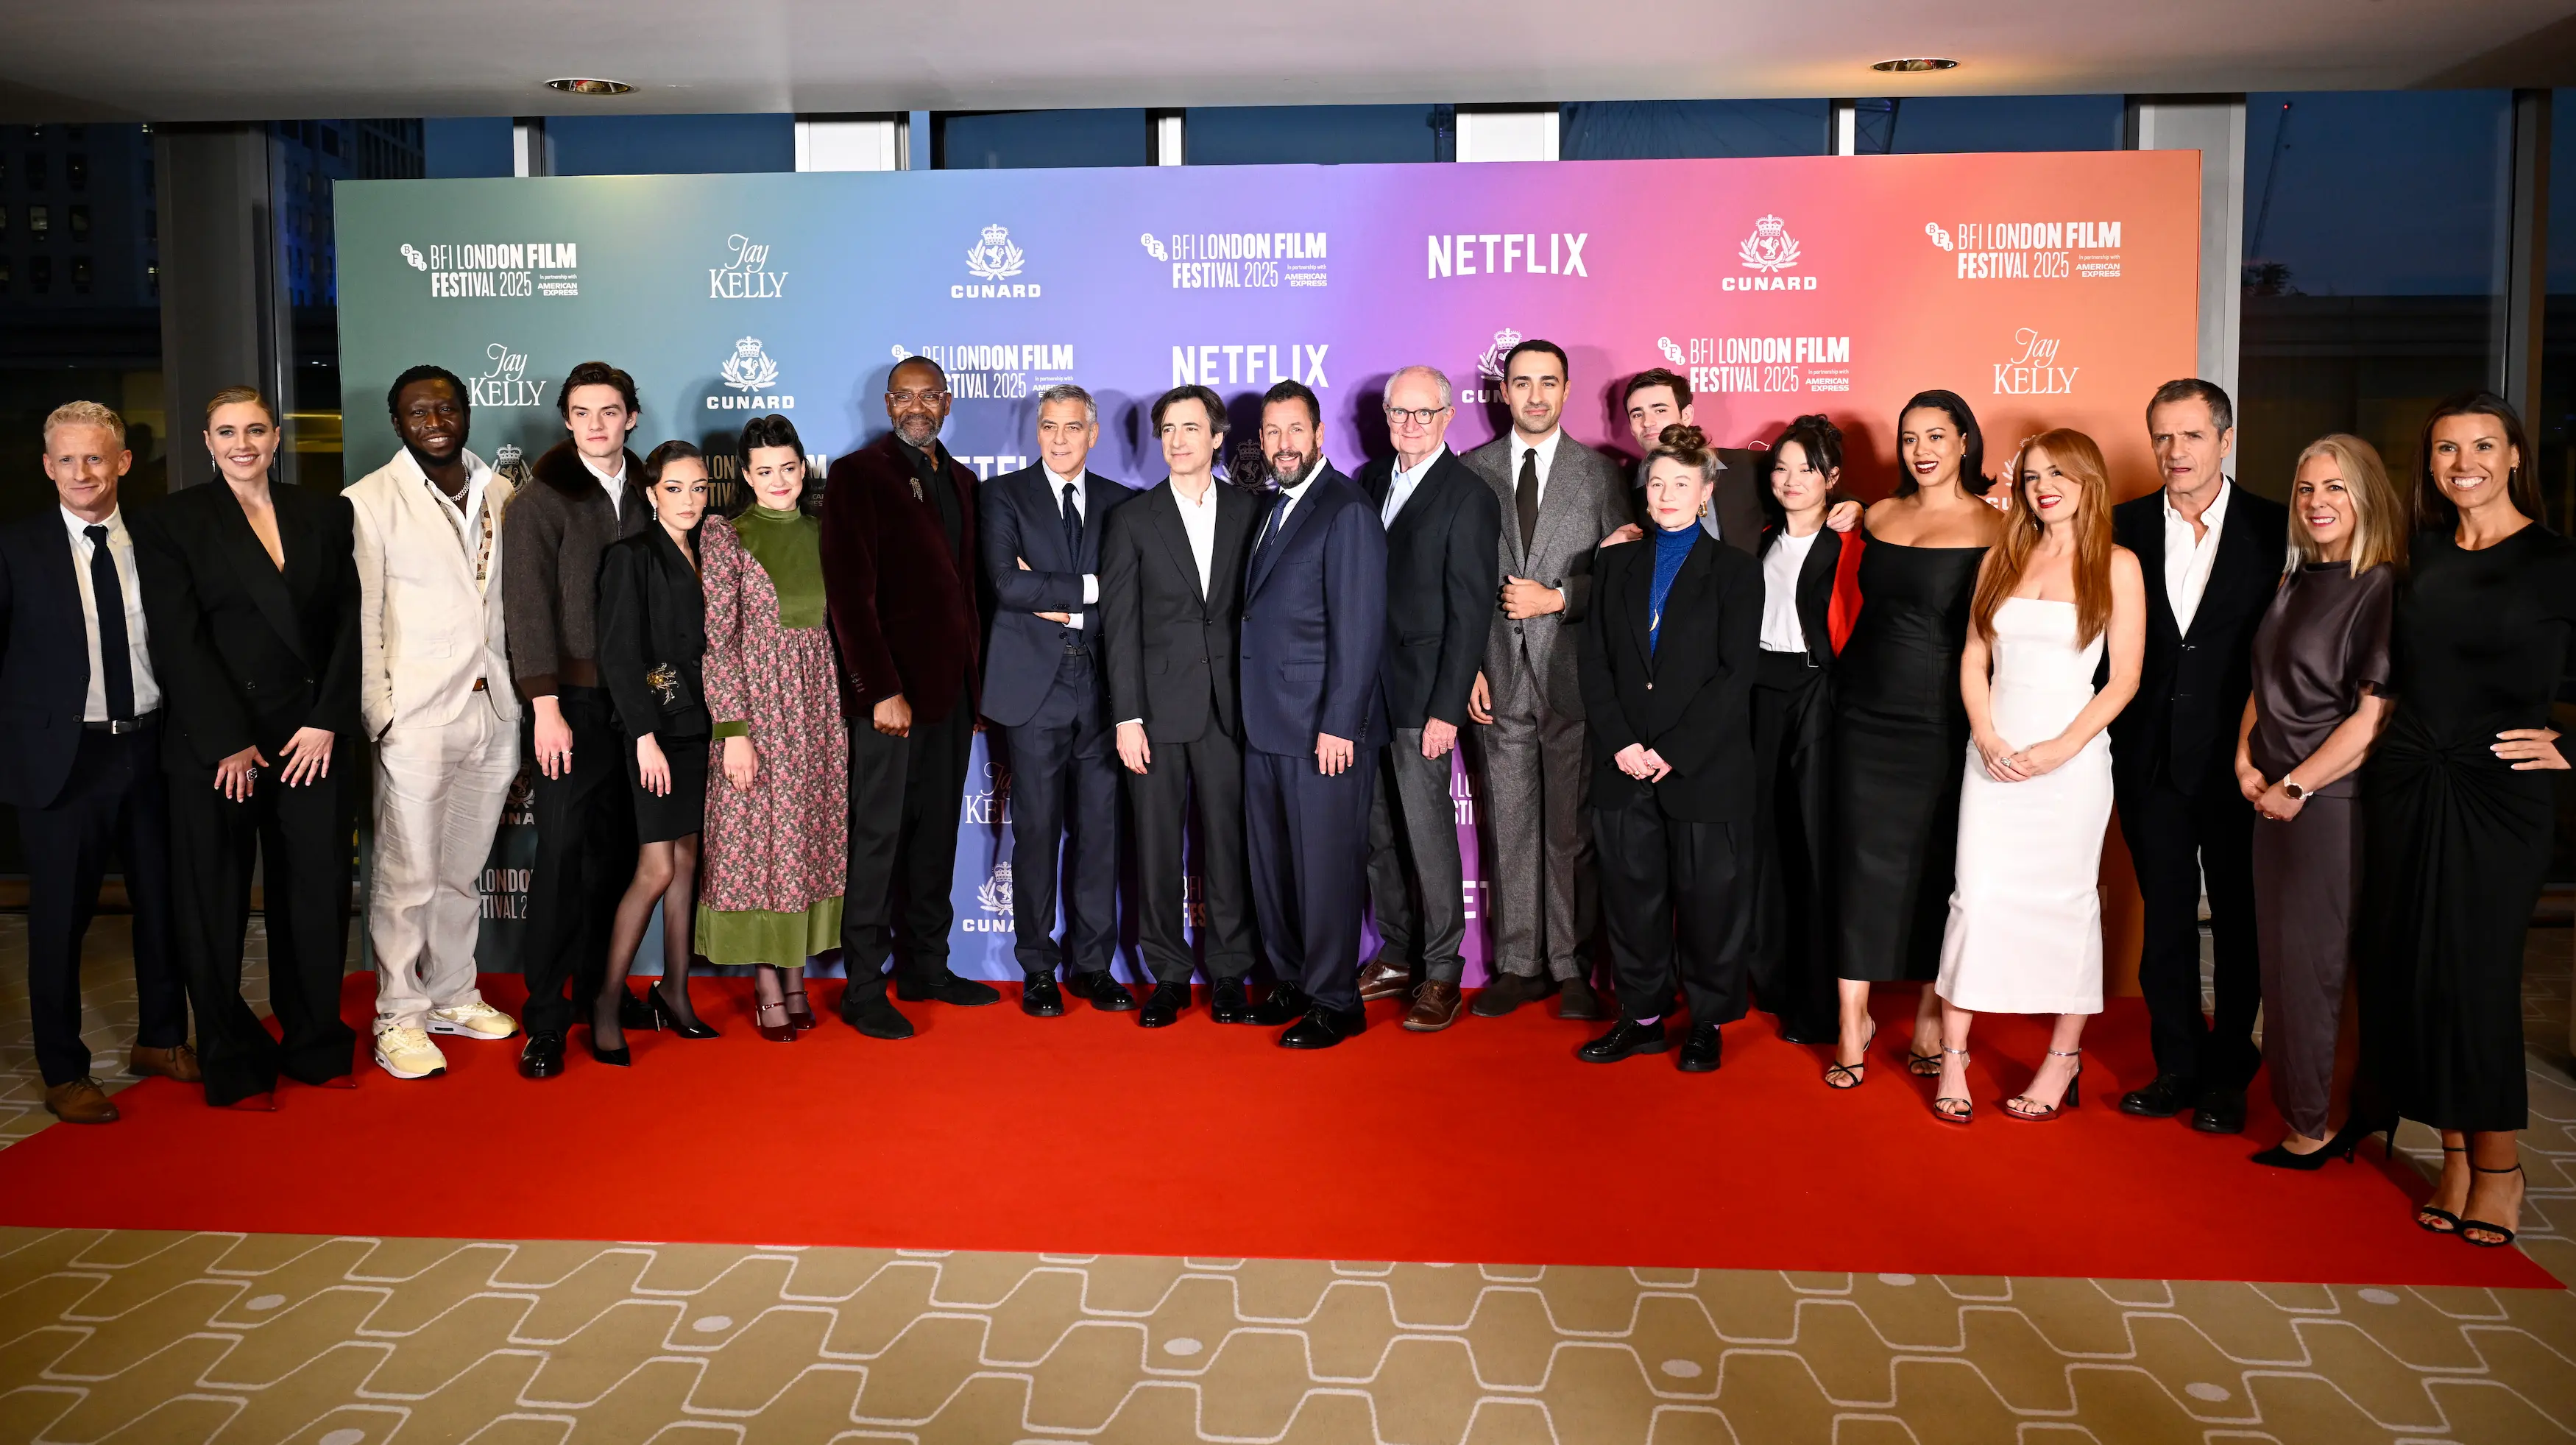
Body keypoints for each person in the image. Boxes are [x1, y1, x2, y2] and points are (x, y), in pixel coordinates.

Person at [2358, 392, 2572, 1248]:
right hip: (2409, 777)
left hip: (2498, 792)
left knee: (2477, 979)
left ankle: (2499, 1167)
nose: (2463, 464)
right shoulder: (2423, 555)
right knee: (2414, 970)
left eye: (2482, 446)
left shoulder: (2558, 560)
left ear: (2514, 455)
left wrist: (2570, 746)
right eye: (2446, 450)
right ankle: (2449, 1154)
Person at [138, 386, 364, 1109]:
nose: (243, 443)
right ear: (206, 442)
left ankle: (315, 1042)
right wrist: (227, 742)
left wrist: (328, 716)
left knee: (316, 893)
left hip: (311, 740)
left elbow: (347, 623)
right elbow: (177, 640)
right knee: (214, 900)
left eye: (256, 430)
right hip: (220, 745)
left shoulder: (324, 513)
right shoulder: (172, 521)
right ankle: (232, 1054)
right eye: (227, 431)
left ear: (276, 439)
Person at [1929, 430, 2145, 1124]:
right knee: (1977, 897)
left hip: (2072, 763)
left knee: (2066, 899)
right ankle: (1955, 1056)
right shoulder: (2003, 555)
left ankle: (2063, 1056)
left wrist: (2060, 748)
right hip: (1992, 755)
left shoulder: (2118, 564)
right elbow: (1972, 658)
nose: (2044, 486)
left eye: (2060, 474)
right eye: (2031, 477)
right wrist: (1987, 735)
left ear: (2090, 480)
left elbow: (2125, 680)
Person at [0, 401, 192, 1124]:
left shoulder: (158, 540)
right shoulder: (14, 548)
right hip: (63, 760)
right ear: (48, 467)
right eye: (68, 459)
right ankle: (63, 1066)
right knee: (58, 920)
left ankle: (162, 1037)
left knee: (163, 903)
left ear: (122, 462)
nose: (83, 472)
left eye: (96, 457)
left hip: (150, 745)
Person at [2112, 379, 2289, 1134]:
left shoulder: (2275, 527)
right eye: (2160, 436)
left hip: (2238, 760)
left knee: (2242, 922)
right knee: (2166, 923)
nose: (2172, 452)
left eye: (2188, 436)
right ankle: (2175, 1066)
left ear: (2223, 438)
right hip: (2147, 757)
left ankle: (2227, 1072)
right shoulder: (2116, 525)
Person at [347, 365, 524, 1082]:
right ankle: (399, 1014)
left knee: (461, 873)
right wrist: (380, 713)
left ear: (466, 412)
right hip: (416, 718)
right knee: (407, 875)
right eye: (418, 411)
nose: (434, 420)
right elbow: (361, 620)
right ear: (397, 424)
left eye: (446, 407)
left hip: (493, 710)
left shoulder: (502, 492)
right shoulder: (367, 502)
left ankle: (452, 992)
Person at [1574, 424, 1763, 1070]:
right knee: (1632, 898)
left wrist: (1673, 749)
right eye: (1656, 482)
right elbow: (1594, 663)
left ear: (1705, 491)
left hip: (1703, 769)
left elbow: (1735, 675)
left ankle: (1707, 1021)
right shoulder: (1616, 562)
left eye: (1681, 483)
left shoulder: (1738, 572)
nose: (1667, 493)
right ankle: (1644, 1015)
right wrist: (1623, 741)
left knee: (1710, 901)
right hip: (1624, 765)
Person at [2234, 434, 2400, 1167]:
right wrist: (2244, 760)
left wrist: (2297, 786)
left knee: (2317, 965)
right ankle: (2313, 1108)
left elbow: (2370, 717)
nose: (2316, 501)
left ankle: (2320, 1122)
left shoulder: (2378, 586)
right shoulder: (2295, 579)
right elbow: (2260, 682)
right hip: (2269, 799)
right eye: (2305, 489)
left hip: (2327, 806)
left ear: (2363, 496)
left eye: (2334, 488)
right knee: (2282, 965)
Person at [821, 356, 996, 1038]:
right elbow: (851, 599)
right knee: (879, 841)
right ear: (888, 403)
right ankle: (864, 988)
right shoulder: (858, 475)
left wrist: (975, 690)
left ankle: (927, 965)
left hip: (952, 697)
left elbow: (968, 595)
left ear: (947, 403)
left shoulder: (963, 481)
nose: (916, 406)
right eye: (904, 396)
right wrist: (878, 689)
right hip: (891, 702)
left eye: (929, 396)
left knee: (935, 839)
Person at [1830, 391, 2003, 1080]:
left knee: (1939, 865)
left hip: (1944, 719)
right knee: (1857, 863)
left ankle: (1932, 1014)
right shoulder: (1875, 514)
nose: (1922, 450)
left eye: (1937, 435)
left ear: (1965, 441)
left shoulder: (1998, 525)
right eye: (1909, 438)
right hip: (1861, 712)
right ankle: (1853, 1021)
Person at [1461, 339, 1632, 1020]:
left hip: (1573, 675)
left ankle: (1571, 967)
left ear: (1566, 391)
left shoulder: (1598, 475)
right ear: (1503, 392)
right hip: (1496, 677)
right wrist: (1467, 664)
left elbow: (1623, 577)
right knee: (1509, 826)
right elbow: (1460, 581)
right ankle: (1519, 962)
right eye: (1522, 382)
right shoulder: (1470, 472)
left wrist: (1559, 597)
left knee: (1569, 832)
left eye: (1549, 383)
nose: (1535, 395)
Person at [501, 360, 654, 1078]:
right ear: (566, 419)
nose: (596, 424)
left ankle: (604, 993)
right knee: (560, 860)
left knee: (619, 860)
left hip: (642, 705)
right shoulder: (540, 500)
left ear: (631, 416)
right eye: (582, 411)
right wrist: (545, 708)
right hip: (572, 704)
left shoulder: (654, 492)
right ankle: (546, 1019)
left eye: (610, 410)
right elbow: (526, 608)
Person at [1099, 384, 1264, 1027]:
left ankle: (1228, 973)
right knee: (1157, 851)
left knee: (1228, 846)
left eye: (1191, 428)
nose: (1178, 440)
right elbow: (1120, 625)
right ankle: (1166, 974)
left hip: (1232, 711)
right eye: (1167, 429)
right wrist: (1127, 716)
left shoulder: (1254, 511)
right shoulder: (1133, 520)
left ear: (1218, 438)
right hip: (1156, 715)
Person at [1239, 378, 1389, 1048]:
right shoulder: (1271, 509)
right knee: (1275, 868)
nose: (1283, 444)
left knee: (1325, 869)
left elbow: (1359, 628)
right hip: (1264, 723)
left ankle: (1337, 1001)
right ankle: (1296, 983)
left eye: (1294, 430)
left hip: (1320, 730)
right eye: (1272, 433)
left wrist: (1340, 721)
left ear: (1320, 434)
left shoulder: (1345, 509)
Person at [979, 384, 1136, 1018]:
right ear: (1037, 432)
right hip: (1032, 690)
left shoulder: (1122, 504)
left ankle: (1093, 965)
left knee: (1099, 833)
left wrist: (1067, 596)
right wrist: (1093, 587)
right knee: (1038, 832)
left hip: (1102, 686)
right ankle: (1038, 966)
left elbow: (1130, 595)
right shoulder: (1003, 495)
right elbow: (1006, 583)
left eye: (1074, 427)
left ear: (1093, 434)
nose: (1061, 438)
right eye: (1050, 426)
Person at [1354, 365, 1499, 1032]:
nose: (1409, 426)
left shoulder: (1468, 496)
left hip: (1422, 699)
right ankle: (1399, 952)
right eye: (1398, 414)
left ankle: (1442, 970)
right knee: (1379, 833)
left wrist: (1446, 708)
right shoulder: (1370, 481)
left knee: (1428, 834)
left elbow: (1470, 612)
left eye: (1423, 414)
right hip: (1366, 691)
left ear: (1447, 418)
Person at [699, 415, 850, 1043]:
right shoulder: (726, 537)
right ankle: (767, 984)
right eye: (765, 471)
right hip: (759, 710)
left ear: (803, 468)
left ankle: (794, 977)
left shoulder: (825, 532)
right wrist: (734, 728)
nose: (779, 480)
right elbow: (718, 640)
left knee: (805, 841)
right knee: (763, 845)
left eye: (789, 468)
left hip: (820, 708)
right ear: (745, 476)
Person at [593, 439, 720, 1059]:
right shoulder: (630, 557)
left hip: (704, 728)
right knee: (658, 867)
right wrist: (644, 735)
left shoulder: (711, 552)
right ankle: (607, 1001)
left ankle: (675, 990)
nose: (690, 499)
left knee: (689, 860)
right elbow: (620, 654)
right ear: (650, 493)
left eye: (699, 487)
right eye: (675, 488)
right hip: (655, 734)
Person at [1749, 416, 1865, 1064]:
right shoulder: (1757, 534)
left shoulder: (1854, 536)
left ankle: (1821, 1002)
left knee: (1816, 842)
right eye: (1782, 469)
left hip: (1820, 689)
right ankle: (1769, 977)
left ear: (1833, 478)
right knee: (1765, 837)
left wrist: (1865, 511)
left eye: (1807, 469)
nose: (1792, 481)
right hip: (1758, 690)